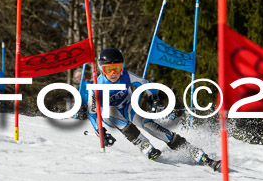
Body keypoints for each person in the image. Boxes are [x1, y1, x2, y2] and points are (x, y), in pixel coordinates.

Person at [86, 47, 220, 170]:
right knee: (113, 114)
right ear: (101, 69)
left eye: (117, 68)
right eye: (108, 69)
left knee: (149, 125)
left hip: (127, 106)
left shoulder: (126, 75)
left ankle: (192, 151)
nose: (114, 73)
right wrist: (100, 131)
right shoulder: (97, 87)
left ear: (123, 67)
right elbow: (92, 114)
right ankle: (143, 144)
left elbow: (146, 84)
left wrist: (154, 99)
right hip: (110, 114)